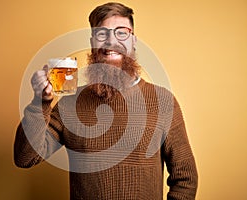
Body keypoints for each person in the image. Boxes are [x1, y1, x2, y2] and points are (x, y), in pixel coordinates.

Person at [14, 2, 198, 200]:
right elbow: (25, 158)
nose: (111, 41)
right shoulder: (69, 104)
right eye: (102, 34)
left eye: (121, 33)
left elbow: (186, 179)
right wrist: (40, 102)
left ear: (134, 40)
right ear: (93, 42)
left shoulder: (163, 102)